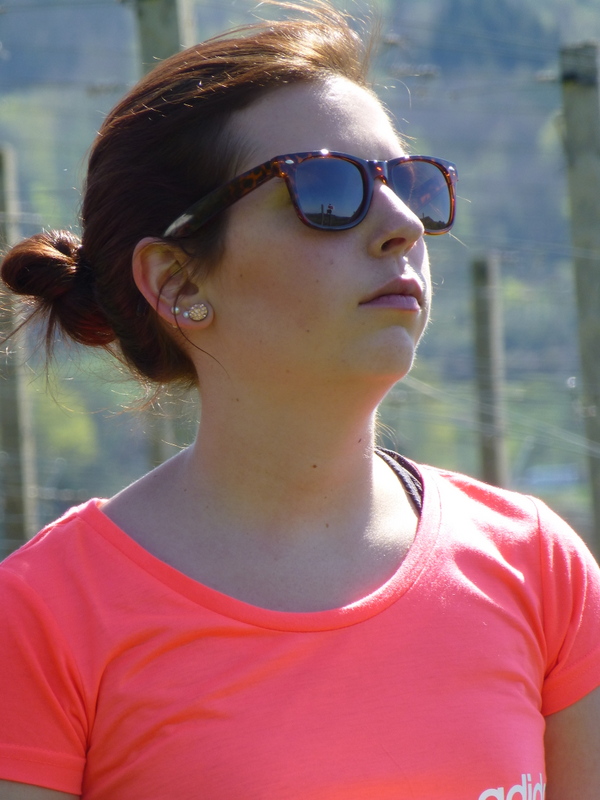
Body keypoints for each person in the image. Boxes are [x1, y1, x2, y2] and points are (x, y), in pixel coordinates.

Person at [0, 2, 599, 798]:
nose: (401, 225)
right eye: (325, 191)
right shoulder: (43, 619)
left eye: (408, 184)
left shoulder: (539, 567)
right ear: (176, 282)